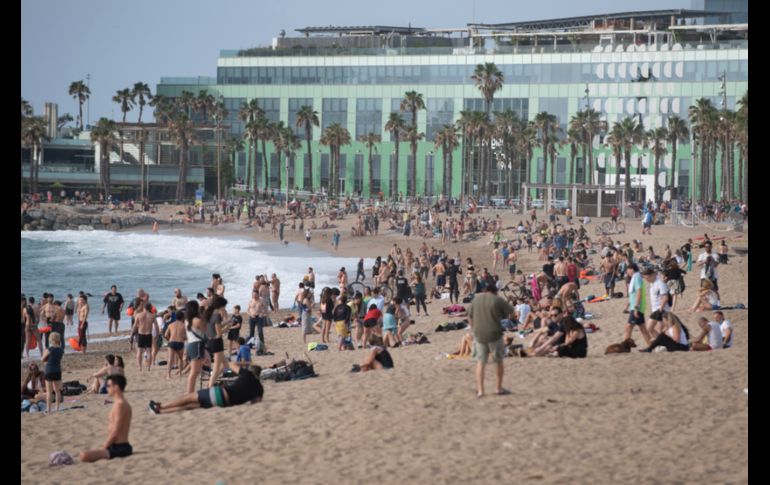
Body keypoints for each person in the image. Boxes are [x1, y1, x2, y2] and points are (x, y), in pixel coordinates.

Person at [149, 361, 263, 414]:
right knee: (190, 406)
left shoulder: (247, 375)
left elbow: (230, 364)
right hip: (224, 404)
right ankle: (162, 412)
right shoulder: (260, 389)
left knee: (188, 398)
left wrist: (244, 363)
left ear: (250, 371)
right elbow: (256, 402)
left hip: (219, 393)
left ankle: (161, 406)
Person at [467, 284, 514, 398]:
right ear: (495, 292)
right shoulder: (497, 299)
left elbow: (469, 316)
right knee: (498, 361)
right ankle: (498, 388)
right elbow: (511, 312)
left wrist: (474, 329)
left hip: (479, 334)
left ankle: (480, 391)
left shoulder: (476, 300)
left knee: (481, 362)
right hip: (495, 334)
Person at [79, 375, 133, 462]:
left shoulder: (120, 405)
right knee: (84, 454)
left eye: (108, 386)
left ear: (116, 387)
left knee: (84, 456)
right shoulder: (120, 403)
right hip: (117, 445)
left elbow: (116, 431)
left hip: (120, 447)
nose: (106, 388)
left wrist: (104, 447)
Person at [624, 264, 652, 347]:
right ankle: (651, 346)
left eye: (627, 270)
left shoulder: (637, 278)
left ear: (631, 269)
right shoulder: (635, 278)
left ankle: (625, 347)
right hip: (636, 307)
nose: (627, 272)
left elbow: (639, 292)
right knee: (643, 329)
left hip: (637, 307)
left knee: (628, 327)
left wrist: (636, 308)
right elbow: (633, 295)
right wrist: (627, 306)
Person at [205, 296, 228, 387]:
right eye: (224, 306)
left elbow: (213, 328)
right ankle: (210, 386)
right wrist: (227, 329)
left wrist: (227, 323)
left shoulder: (208, 314)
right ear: (220, 305)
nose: (225, 308)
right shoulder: (217, 315)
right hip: (217, 342)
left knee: (226, 366)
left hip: (210, 341)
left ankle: (209, 383)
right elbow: (219, 333)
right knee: (217, 367)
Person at [184, 301, 206, 394]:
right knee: (194, 372)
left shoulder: (187, 320)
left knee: (195, 371)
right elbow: (206, 331)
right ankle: (190, 393)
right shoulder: (197, 320)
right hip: (197, 345)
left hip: (190, 345)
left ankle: (190, 392)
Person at [642, 268, 670, 339]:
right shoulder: (652, 283)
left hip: (662, 310)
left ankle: (663, 343)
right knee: (651, 328)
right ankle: (662, 342)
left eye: (647, 278)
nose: (646, 280)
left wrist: (660, 309)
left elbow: (665, 297)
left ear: (653, 275)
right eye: (645, 278)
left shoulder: (660, 283)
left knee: (659, 329)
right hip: (655, 310)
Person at [41, 332, 64, 413]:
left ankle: (49, 409)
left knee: (49, 392)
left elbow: (42, 359)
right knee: (57, 391)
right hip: (57, 370)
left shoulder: (49, 349)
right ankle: (57, 408)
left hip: (49, 370)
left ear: (51, 339)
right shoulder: (61, 350)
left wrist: (45, 355)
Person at [133, 303, 158, 371]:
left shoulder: (138, 315)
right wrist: (157, 335)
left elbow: (135, 326)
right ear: (150, 308)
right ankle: (149, 367)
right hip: (148, 334)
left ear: (144, 307)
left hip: (141, 334)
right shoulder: (152, 316)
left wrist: (132, 334)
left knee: (139, 351)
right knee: (149, 351)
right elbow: (156, 326)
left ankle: (140, 367)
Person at [164, 311, 187, 379]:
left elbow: (165, 335)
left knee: (170, 359)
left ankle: (168, 375)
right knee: (180, 359)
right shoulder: (184, 325)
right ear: (183, 318)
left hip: (172, 342)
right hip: (180, 342)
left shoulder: (171, 324)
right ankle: (180, 373)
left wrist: (169, 339)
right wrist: (184, 339)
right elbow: (186, 336)